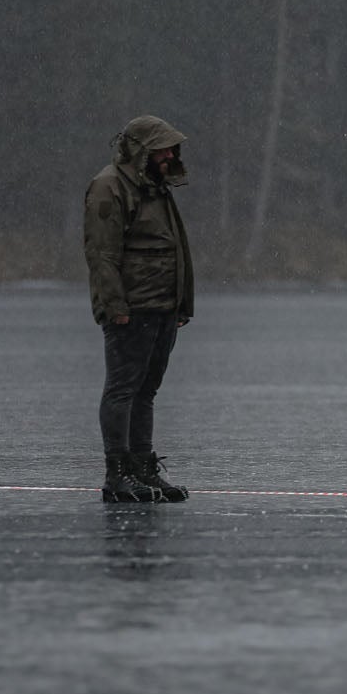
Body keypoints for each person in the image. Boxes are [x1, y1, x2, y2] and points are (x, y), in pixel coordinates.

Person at [84, 115, 196, 504]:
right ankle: (117, 474)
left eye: (171, 148)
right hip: (131, 310)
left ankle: (142, 471)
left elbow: (176, 250)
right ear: (140, 150)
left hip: (163, 309)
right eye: (162, 148)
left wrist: (181, 304)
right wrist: (114, 307)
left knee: (146, 391)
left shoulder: (157, 188)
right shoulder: (109, 187)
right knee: (122, 390)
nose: (169, 154)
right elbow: (102, 255)